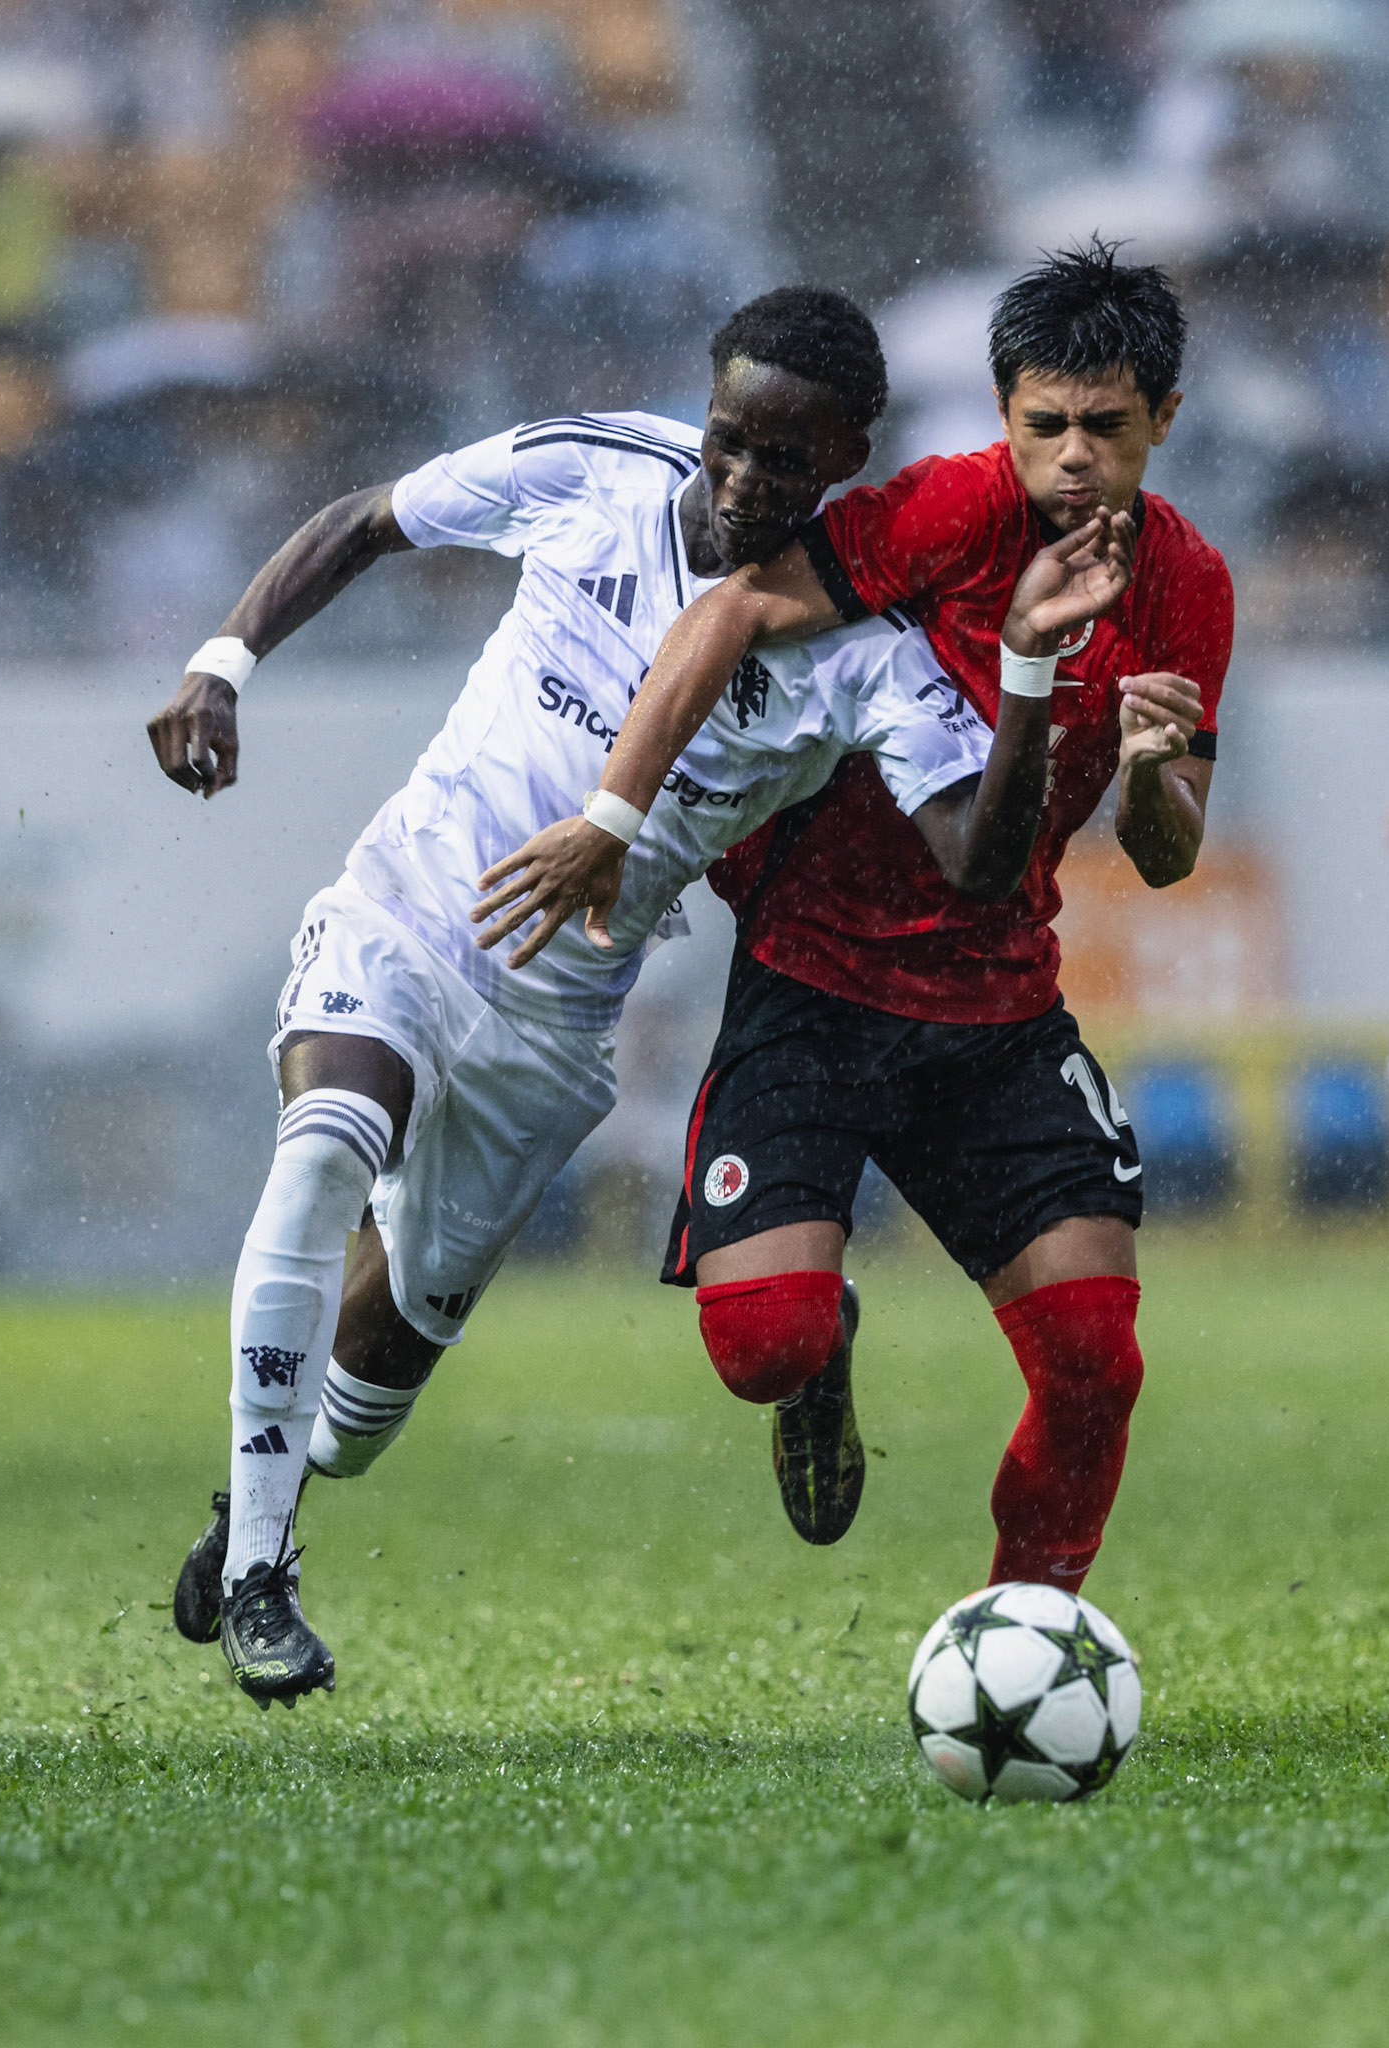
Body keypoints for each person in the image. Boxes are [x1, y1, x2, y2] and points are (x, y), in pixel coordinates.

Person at [144, 286, 1135, 1708]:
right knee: (320, 1149)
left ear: (845, 461)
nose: (739, 482)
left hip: (551, 1024)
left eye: (784, 464)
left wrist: (1031, 667)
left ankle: (273, 1488)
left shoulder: (862, 652)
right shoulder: (596, 465)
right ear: (705, 411)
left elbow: (976, 857)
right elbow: (371, 517)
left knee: (361, 1412)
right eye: (729, 440)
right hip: (408, 911)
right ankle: (258, 1568)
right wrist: (223, 661)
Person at [486, 241, 1233, 1592]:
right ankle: (817, 1346)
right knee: (759, 1347)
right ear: (1004, 411)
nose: (1072, 457)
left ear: (1160, 421)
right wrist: (611, 813)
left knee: (1093, 1361)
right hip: (811, 991)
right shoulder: (945, 515)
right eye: (1043, 424)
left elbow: (1169, 852)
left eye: (1105, 429)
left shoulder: (1188, 588)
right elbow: (735, 610)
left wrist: (1144, 773)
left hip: (996, 1013)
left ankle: (1030, 1623)